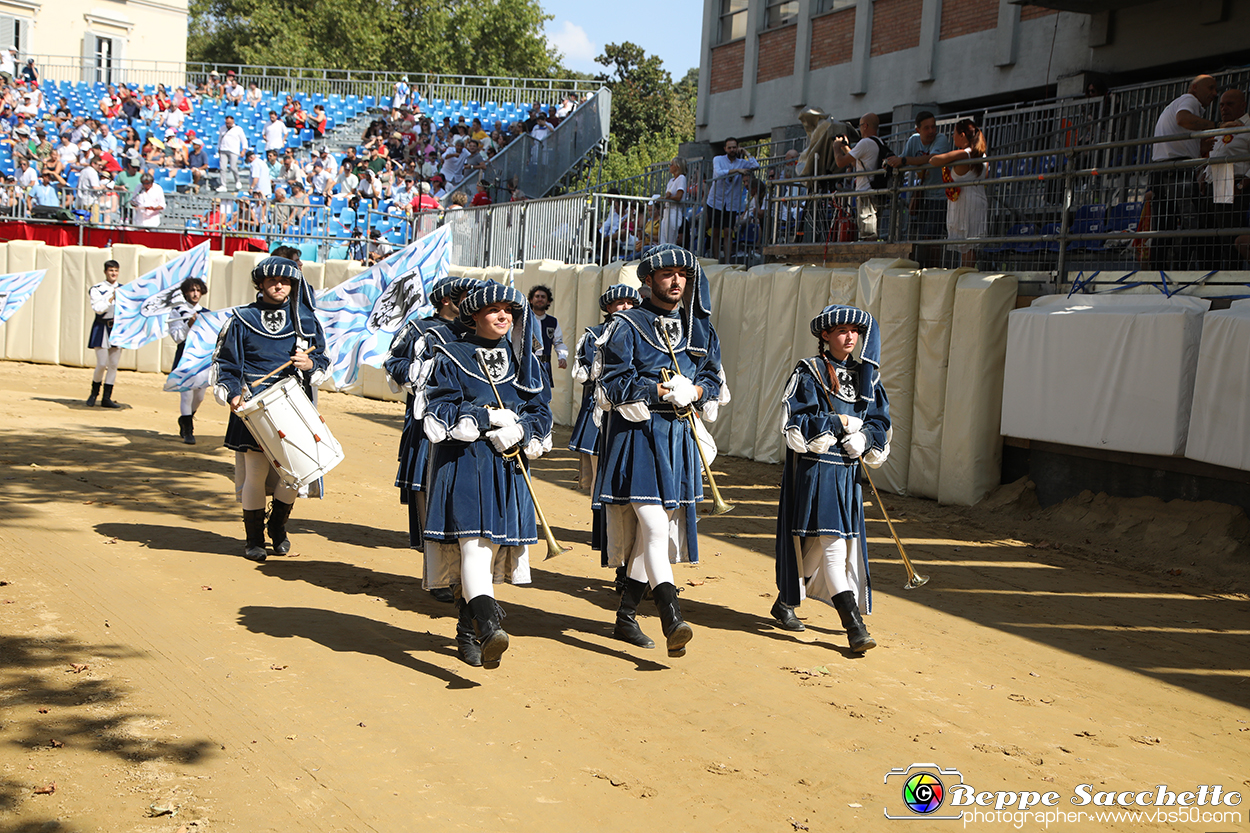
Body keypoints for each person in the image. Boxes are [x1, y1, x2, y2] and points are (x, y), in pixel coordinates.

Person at [592, 245, 727, 656]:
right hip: (637, 437)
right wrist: (660, 389)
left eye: (682, 275)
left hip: (678, 437)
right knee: (653, 528)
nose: (676, 281)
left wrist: (698, 390)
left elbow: (713, 381)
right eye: (666, 274)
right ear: (648, 280)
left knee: (655, 534)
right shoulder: (626, 325)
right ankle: (672, 617)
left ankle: (625, 617)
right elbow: (609, 386)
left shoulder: (700, 330)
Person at [422, 283, 553, 668]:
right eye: (493, 310)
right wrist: (485, 417)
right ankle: (489, 625)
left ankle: (470, 632)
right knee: (474, 549)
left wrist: (524, 430)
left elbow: (540, 410)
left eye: (508, 311)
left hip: (507, 464)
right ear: (474, 315)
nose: (502, 316)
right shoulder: (450, 354)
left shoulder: (523, 361)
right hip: (464, 460)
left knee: (486, 551)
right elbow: (438, 408)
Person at [771, 305, 890, 654]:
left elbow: (880, 420)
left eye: (855, 330)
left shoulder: (869, 376)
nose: (850, 337)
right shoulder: (808, 371)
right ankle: (855, 626)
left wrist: (866, 438)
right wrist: (840, 423)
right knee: (834, 547)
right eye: (841, 331)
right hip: (816, 468)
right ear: (825, 335)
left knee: (819, 544)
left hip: (848, 473)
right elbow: (795, 419)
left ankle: (784, 601)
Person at [212, 257, 329, 563]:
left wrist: (310, 364)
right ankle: (254, 540)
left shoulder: (306, 320)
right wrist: (234, 394)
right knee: (256, 472)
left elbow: (324, 361)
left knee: (294, 475)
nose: (279, 285)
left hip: (294, 407)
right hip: (253, 407)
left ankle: (277, 527)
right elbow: (226, 364)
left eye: (286, 281)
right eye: (273, 280)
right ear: (260, 283)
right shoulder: (241, 319)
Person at [384, 275, 482, 601]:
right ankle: (438, 576)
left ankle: (464, 576)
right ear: (446, 299)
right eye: (466, 295)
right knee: (429, 497)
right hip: (428, 427)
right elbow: (393, 360)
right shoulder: (420, 328)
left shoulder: (478, 333)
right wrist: (416, 372)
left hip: (470, 432)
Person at [569, 284, 641, 492]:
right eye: (620, 303)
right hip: (601, 407)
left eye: (631, 303)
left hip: (637, 407)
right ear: (609, 308)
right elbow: (590, 374)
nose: (626, 307)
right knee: (600, 474)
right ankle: (600, 524)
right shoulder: (594, 335)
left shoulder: (646, 333)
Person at [1150, 74, 1218, 269]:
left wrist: (1200, 145)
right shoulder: (1189, 100)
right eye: (1210, 88)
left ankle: (1157, 277)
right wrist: (1216, 126)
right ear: (1194, 88)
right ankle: (1180, 274)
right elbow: (1184, 119)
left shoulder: (1175, 105)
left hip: (1161, 171)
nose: (1214, 93)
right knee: (1192, 223)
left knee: (1165, 228)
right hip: (1176, 171)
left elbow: (1178, 133)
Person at [885, 110, 953, 265]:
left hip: (939, 196)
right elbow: (903, 160)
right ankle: (921, 267)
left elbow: (931, 159)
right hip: (922, 196)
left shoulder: (941, 139)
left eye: (933, 127)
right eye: (927, 128)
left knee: (931, 237)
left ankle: (931, 269)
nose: (931, 131)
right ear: (918, 130)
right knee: (920, 236)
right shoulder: (913, 140)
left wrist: (903, 160)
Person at [1200, 88, 1250, 269]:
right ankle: (1211, 279)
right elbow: (1216, 154)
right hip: (1214, 181)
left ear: (1243, 105)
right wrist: (1204, 175)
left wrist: (1244, 182)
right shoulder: (1222, 127)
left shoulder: (1248, 126)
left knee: (1228, 237)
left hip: (1232, 180)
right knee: (1208, 235)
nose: (1224, 108)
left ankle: (1231, 279)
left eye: (1230, 104)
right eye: (1221, 104)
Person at [929, 118, 989, 268]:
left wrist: (949, 160)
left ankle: (966, 274)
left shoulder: (963, 154)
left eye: (954, 134)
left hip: (965, 202)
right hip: (977, 199)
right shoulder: (983, 156)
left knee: (966, 245)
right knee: (969, 246)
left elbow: (934, 160)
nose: (952, 137)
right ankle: (966, 272)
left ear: (962, 135)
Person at [831, 113, 887, 241]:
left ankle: (868, 257)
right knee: (873, 229)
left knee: (867, 232)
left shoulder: (865, 142)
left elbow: (840, 162)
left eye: (860, 125)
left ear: (865, 126)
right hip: (875, 191)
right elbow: (856, 163)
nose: (860, 129)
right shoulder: (878, 142)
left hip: (865, 192)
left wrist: (836, 147)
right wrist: (845, 147)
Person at [168, 276, 209, 444]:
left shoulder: (206, 312)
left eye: (198, 290)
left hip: (200, 358)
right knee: (186, 395)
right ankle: (188, 430)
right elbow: (177, 338)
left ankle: (186, 418)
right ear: (185, 292)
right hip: (184, 356)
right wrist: (189, 324)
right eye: (192, 290)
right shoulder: (177, 312)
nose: (195, 293)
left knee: (199, 396)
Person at [706, 138, 759, 262]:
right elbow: (719, 173)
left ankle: (727, 261)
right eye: (729, 147)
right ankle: (716, 259)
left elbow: (755, 165)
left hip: (731, 203)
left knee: (729, 231)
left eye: (734, 147)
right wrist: (736, 171)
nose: (732, 150)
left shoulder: (741, 162)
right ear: (725, 149)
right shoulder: (718, 159)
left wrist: (746, 152)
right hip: (716, 200)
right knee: (716, 231)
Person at [86, 260, 125, 408]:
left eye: (116, 270)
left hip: (117, 327)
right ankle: (94, 393)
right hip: (102, 327)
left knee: (114, 364)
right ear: (105, 272)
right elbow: (98, 309)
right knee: (102, 363)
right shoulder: (97, 289)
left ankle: (107, 398)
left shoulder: (124, 289)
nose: (113, 273)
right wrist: (112, 298)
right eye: (111, 270)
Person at [527, 285, 566, 386]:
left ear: (548, 302)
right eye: (537, 296)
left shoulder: (552, 322)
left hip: (545, 365)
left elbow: (558, 342)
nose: (540, 299)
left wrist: (562, 357)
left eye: (543, 297)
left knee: (544, 395)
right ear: (531, 300)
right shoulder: (525, 320)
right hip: (528, 363)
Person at [217, 114, 247, 192]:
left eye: (229, 123)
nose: (228, 125)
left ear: (233, 122)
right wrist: (219, 148)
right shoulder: (222, 128)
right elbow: (220, 139)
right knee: (222, 168)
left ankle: (237, 181)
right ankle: (223, 185)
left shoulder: (238, 129)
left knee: (233, 167)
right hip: (223, 150)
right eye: (227, 123)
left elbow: (244, 140)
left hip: (233, 150)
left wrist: (243, 150)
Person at [660, 158, 687, 245]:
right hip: (667, 211)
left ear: (678, 166)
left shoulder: (681, 178)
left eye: (671, 164)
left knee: (670, 240)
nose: (670, 166)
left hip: (674, 211)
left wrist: (667, 198)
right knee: (663, 239)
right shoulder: (671, 181)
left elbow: (679, 196)